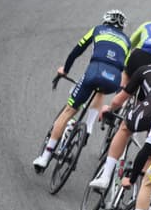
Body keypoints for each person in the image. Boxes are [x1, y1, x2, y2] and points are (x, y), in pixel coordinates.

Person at [33, 10, 129, 173]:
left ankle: (45, 156)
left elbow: (76, 51)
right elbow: (125, 68)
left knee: (69, 111)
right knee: (100, 91)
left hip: (94, 72)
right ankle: (89, 128)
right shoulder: (127, 41)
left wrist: (65, 70)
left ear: (105, 21)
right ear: (122, 27)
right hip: (113, 80)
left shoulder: (98, 29)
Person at [88, 49, 151, 190]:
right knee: (150, 155)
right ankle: (139, 196)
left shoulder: (146, 70)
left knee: (124, 128)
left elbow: (119, 100)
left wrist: (109, 109)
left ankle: (105, 177)